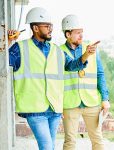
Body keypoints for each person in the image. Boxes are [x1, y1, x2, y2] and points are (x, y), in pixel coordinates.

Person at [8, 8, 94, 150]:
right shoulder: (20, 48)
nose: (50, 29)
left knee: (51, 146)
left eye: (51, 26)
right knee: (47, 147)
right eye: (46, 26)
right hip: (34, 109)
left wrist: (86, 55)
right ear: (35, 28)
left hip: (54, 109)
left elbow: (72, 66)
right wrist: (7, 43)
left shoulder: (57, 50)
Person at [60, 14, 110, 150]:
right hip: (69, 104)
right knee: (70, 141)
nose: (81, 36)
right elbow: (70, 66)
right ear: (68, 34)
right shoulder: (59, 52)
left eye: (82, 32)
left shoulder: (91, 49)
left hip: (91, 102)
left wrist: (105, 99)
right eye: (77, 33)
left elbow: (100, 74)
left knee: (97, 139)